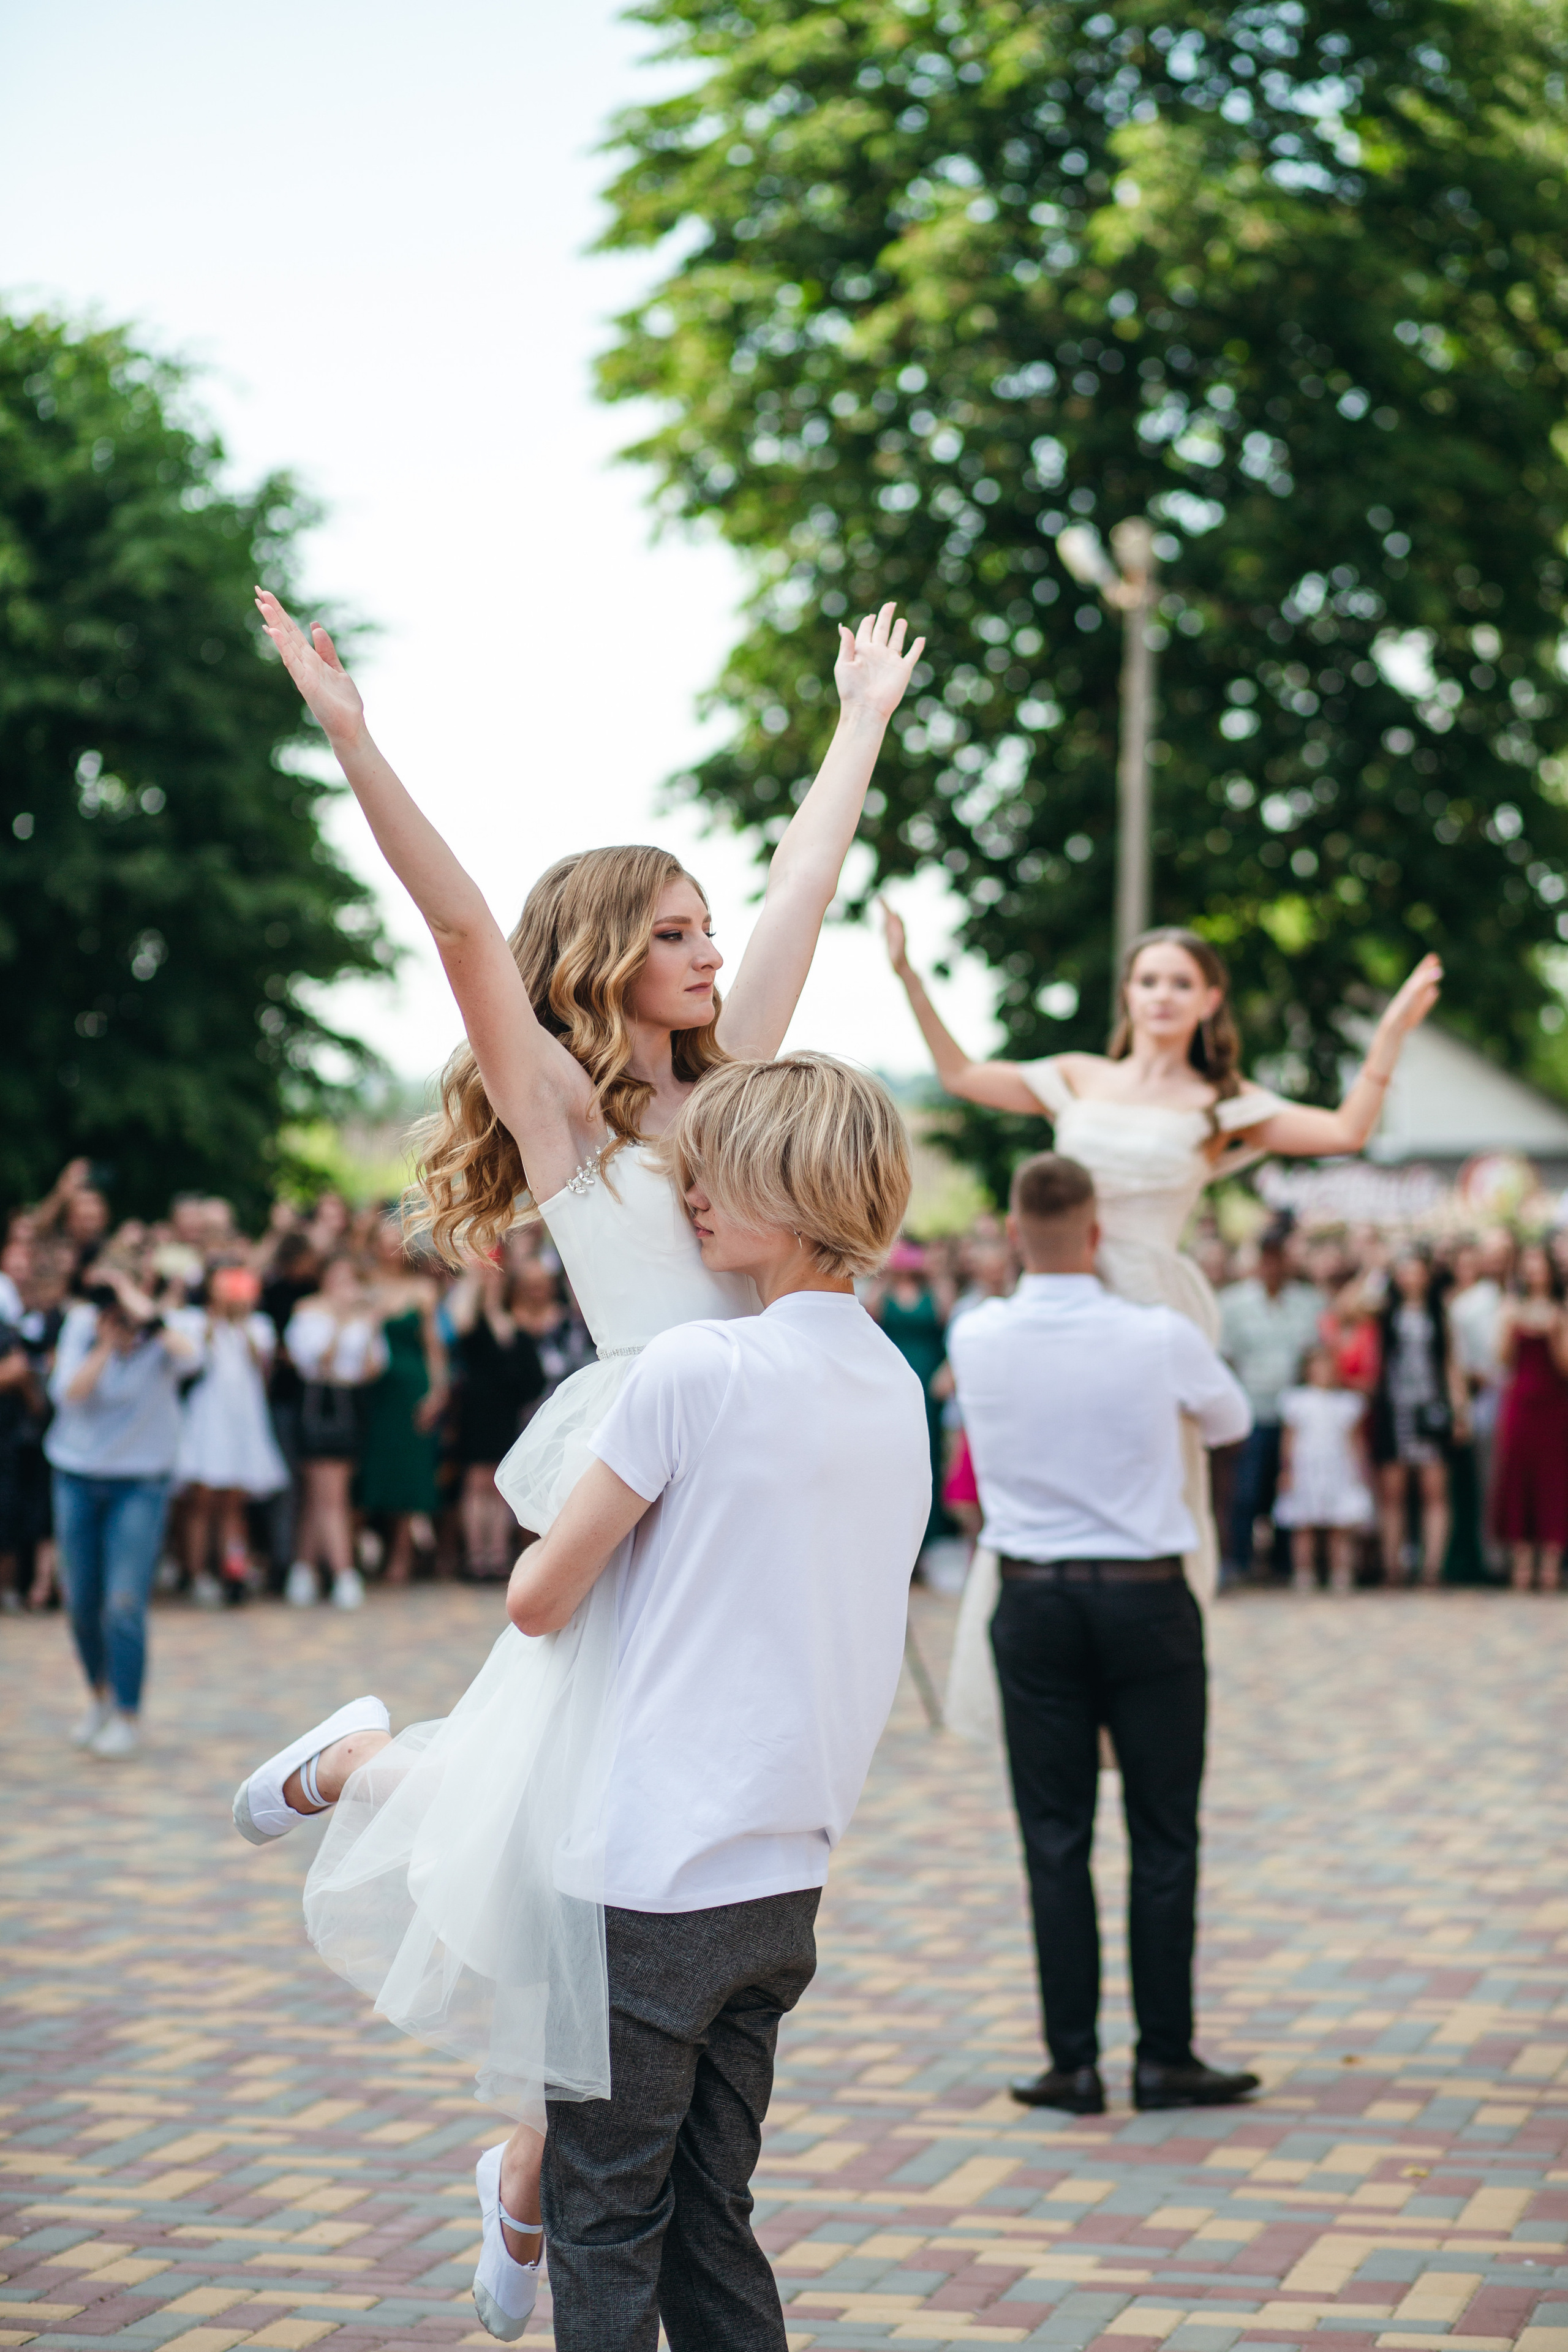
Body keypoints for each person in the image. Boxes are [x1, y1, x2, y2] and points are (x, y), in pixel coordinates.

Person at [243, 594, 921, 2262]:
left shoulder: (747, 1077)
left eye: (708, 928)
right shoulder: (560, 1109)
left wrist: (861, 724)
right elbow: (468, 930)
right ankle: (355, 1761)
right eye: (675, 932)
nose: (707, 953)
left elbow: (804, 890)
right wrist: (352, 737)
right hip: (641, 1456)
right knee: (558, 1839)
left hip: (746, 1453)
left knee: (651, 1879)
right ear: (611, 953)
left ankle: (525, 2180)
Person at [228, 1057, 929, 2350]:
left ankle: (353, 1764)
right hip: (788, 1868)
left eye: (717, 1172)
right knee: (713, 2214)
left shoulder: (697, 1367)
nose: (694, 1197)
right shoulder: (895, 1383)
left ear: (789, 1183)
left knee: (608, 2221)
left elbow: (538, 1598)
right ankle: (352, 1764)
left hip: (647, 1873)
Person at [886, 909, 1441, 1613]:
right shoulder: (1077, 1076)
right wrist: (907, 973)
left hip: (1153, 1302)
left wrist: (1389, 1036)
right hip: (1060, 1290)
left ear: (1210, 1000)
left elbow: (1343, 1129)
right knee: (1049, 1458)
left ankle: (1150, 1625)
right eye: (1148, 979)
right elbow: (960, 1074)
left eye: (1180, 982)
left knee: (1145, 1472)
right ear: (1128, 993)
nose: (1162, 994)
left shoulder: (1222, 1101)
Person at [947, 1152, 1254, 2117]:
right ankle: (1164, 2055)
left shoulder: (977, 1333)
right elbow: (1233, 1420)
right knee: (1164, 1833)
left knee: (1055, 1836)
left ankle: (1072, 2062)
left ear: (1012, 1235)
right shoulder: (1158, 1335)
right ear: (1095, 1235)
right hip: (1146, 1595)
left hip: (1033, 1600)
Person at [44, 1265, 202, 1757]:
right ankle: (100, 1697)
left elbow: (193, 1359)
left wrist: (146, 1317)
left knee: (124, 1603)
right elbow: (68, 1394)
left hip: (140, 1482)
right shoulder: (81, 1327)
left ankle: (129, 1712)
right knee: (82, 1601)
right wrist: (107, 1345)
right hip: (77, 1477)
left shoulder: (171, 1331)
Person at [176, 1264, 289, 1605]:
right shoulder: (194, 1322)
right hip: (208, 1417)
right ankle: (196, 1573)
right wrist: (216, 1319)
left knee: (233, 1503)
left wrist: (240, 1321)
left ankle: (232, 1569)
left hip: (243, 1418)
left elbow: (263, 1368)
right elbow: (192, 1363)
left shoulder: (258, 1325)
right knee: (202, 1500)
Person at [1217, 1225, 1322, 1581]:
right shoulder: (1233, 1304)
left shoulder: (1308, 1302)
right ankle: (1241, 1561)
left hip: (1294, 1411)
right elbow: (1226, 1358)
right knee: (1245, 1490)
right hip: (1251, 1408)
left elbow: (1313, 1354)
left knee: (1288, 1490)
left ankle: (1284, 1562)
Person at [284, 1255, 388, 1609]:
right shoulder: (308, 1314)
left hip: (353, 1403)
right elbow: (316, 1361)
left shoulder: (364, 1317)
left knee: (321, 1496)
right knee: (331, 1494)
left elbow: (372, 1368)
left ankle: (302, 1571)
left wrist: (371, 1326)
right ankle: (344, 1574)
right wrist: (343, 1320)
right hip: (319, 1403)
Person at [357, 1213, 450, 1585]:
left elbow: (433, 1347)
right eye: (382, 1239)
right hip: (371, 1390)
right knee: (369, 1471)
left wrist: (438, 1392)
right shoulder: (363, 1286)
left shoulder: (422, 1289)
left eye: (396, 1239)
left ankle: (401, 1557)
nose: (389, 1247)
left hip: (411, 1389)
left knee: (410, 1473)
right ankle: (361, 1554)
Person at [1368, 1248, 1467, 1586]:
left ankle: (1432, 1569)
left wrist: (1458, 1412)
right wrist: (1376, 1269)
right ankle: (1392, 1567)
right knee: (1392, 1492)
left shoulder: (1440, 1313)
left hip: (1432, 1408)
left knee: (1434, 1491)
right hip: (1394, 1409)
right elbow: (1347, 1307)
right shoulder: (1384, 1309)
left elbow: (1451, 1364)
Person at [447, 1259, 546, 1578]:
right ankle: (477, 1556)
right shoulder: (471, 1321)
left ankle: (498, 1555)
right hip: (476, 1410)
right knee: (477, 1481)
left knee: (499, 1482)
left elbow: (529, 1374)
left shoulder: (513, 1324)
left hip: (504, 1412)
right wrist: (475, 1277)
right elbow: (460, 1322)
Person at [1489, 1241, 1568, 1591]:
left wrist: (1555, 1333)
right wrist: (1510, 1324)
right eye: (1528, 1265)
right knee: (1518, 1478)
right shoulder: (1510, 1308)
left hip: (1555, 1404)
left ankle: (1550, 1566)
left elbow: (1565, 1366)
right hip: (1521, 1401)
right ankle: (1521, 1565)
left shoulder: (1561, 1311)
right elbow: (1502, 1360)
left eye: (1539, 1265)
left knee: (1554, 1481)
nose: (1534, 1271)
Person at [1273, 1344, 1374, 1593]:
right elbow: (1289, 1439)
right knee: (1303, 1525)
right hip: (1307, 1467)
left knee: (1339, 1526)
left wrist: (1360, 1470)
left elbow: (1355, 1440)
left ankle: (1340, 1573)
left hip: (1338, 1467)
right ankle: (1304, 1573)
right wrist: (1287, 1470)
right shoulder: (1296, 1401)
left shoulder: (1347, 1402)